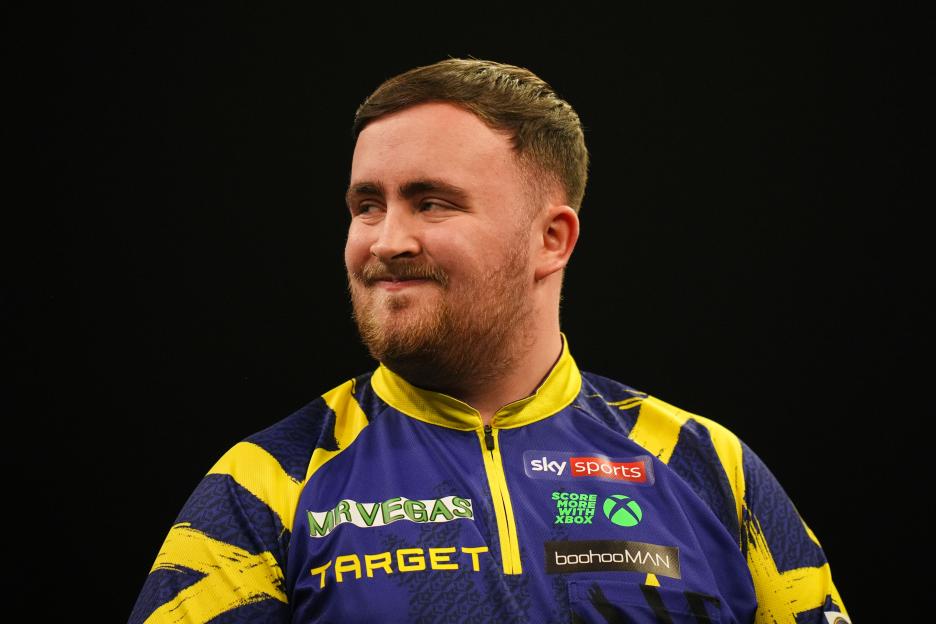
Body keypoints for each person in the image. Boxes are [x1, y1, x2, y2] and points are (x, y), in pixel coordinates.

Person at [129, 59, 849, 624]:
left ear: (551, 239)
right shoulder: (265, 483)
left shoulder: (709, 467)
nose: (386, 241)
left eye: (431, 202)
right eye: (367, 205)